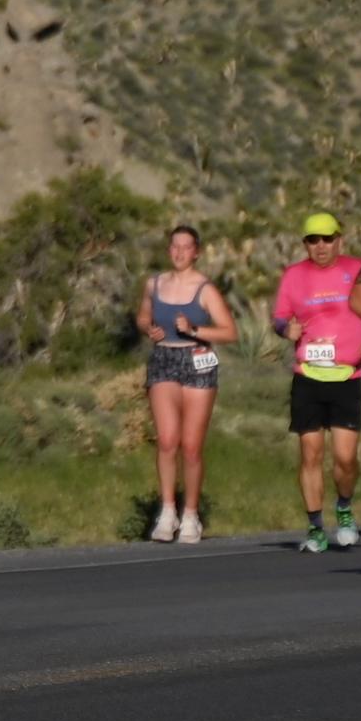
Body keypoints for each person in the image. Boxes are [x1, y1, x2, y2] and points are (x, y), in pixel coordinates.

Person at [272, 212, 361, 553]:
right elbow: (279, 318)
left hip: (347, 375)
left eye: (327, 238)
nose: (321, 246)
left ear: (339, 240)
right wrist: (286, 329)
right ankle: (315, 527)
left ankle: (344, 507)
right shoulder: (294, 275)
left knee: (345, 458)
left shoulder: (357, 270)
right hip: (308, 375)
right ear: (305, 244)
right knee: (310, 454)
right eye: (313, 240)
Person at [140, 224, 239, 543]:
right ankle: (167, 510)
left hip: (197, 361)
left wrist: (195, 330)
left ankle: (191, 514)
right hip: (164, 359)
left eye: (186, 247)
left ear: (196, 252)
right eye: (175, 246)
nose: (180, 252)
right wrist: (149, 328)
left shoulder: (205, 289)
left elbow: (229, 331)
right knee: (167, 441)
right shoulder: (154, 284)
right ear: (168, 250)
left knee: (192, 446)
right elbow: (143, 316)